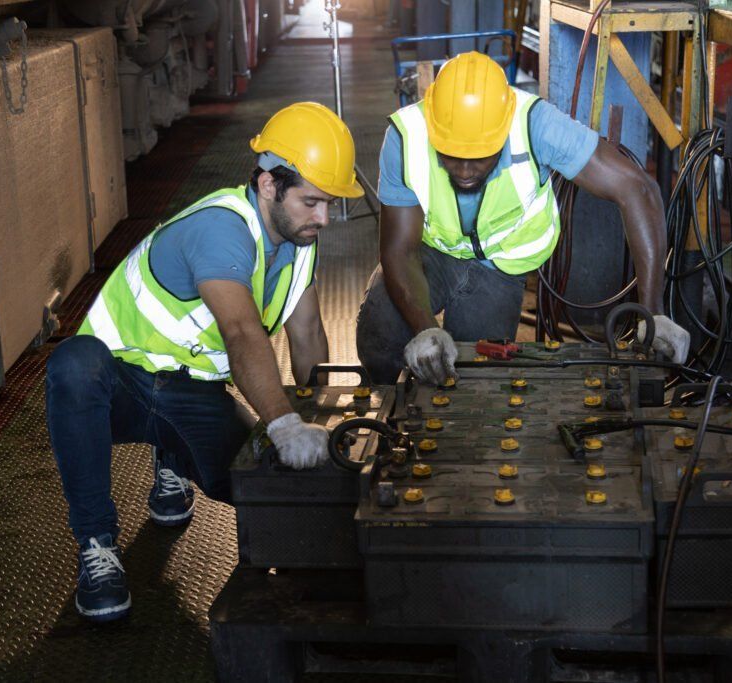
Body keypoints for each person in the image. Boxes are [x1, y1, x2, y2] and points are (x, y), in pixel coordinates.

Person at [45, 102, 363, 622]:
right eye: (312, 202)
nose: (323, 218)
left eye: (329, 204)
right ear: (267, 185)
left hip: (192, 393)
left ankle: (172, 457)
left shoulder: (299, 242)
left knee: (251, 482)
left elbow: (306, 332)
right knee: (73, 366)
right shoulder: (220, 229)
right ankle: (97, 545)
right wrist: (282, 423)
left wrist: (318, 424)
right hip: (120, 384)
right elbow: (240, 331)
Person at [356, 51, 689, 384]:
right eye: (453, 156)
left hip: (501, 266)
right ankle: (388, 417)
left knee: (475, 379)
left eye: (481, 156)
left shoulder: (536, 124)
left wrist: (654, 313)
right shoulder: (406, 136)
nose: (466, 170)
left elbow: (638, 190)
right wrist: (426, 330)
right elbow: (399, 250)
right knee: (379, 338)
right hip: (433, 254)